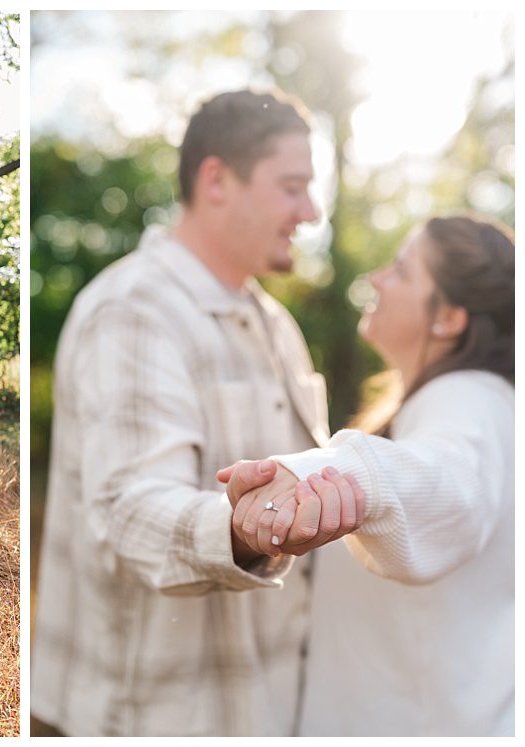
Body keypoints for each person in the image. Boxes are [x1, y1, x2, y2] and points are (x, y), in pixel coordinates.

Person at [30, 89, 364, 737]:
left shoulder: (277, 323)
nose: (311, 210)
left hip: (263, 706)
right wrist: (241, 529)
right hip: (152, 715)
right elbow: (129, 504)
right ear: (217, 179)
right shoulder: (134, 310)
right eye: (292, 187)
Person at [221, 214, 514, 736]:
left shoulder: (471, 399)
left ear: (448, 317)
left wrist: (333, 473)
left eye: (401, 271)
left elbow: (450, 482)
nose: (376, 279)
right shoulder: (456, 401)